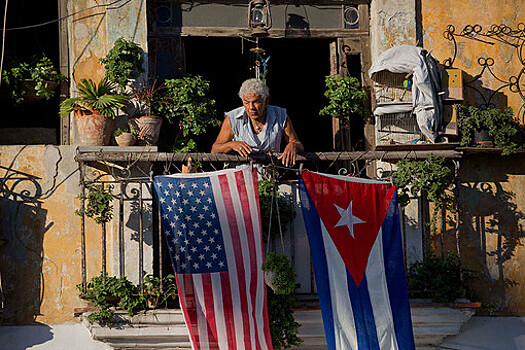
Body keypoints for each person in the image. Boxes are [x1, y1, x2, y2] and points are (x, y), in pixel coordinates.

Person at [211, 78, 303, 167]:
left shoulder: (280, 116)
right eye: (247, 103)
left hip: (269, 178)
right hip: (239, 176)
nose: (251, 107)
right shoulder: (232, 119)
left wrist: (293, 145)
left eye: (256, 102)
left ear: (266, 100)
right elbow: (215, 150)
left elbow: (298, 144)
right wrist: (231, 145)